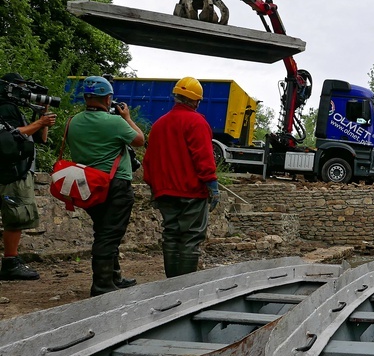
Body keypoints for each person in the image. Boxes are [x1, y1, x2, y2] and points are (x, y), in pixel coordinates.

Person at [67, 76, 144, 296]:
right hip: (115, 184)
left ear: (85, 97)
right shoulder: (115, 122)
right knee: (109, 235)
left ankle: (114, 276)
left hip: (86, 184)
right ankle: (101, 285)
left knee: (104, 230)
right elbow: (139, 140)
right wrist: (127, 118)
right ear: (108, 98)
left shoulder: (73, 121)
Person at [143, 77, 220, 278]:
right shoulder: (196, 122)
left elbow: (149, 160)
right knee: (191, 238)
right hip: (191, 192)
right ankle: (184, 288)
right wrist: (212, 184)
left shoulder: (159, 124)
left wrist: (154, 187)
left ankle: (171, 283)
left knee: (171, 235)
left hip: (165, 192)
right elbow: (203, 157)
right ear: (196, 101)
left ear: (176, 97)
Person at [0, 73, 56, 280]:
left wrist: (43, 119)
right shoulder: (5, 108)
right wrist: (39, 122)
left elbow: (40, 139)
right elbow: (11, 136)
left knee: (16, 216)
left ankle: (11, 260)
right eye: (22, 88)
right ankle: (10, 262)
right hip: (11, 173)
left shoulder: (14, 109)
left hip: (17, 170)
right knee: (16, 216)